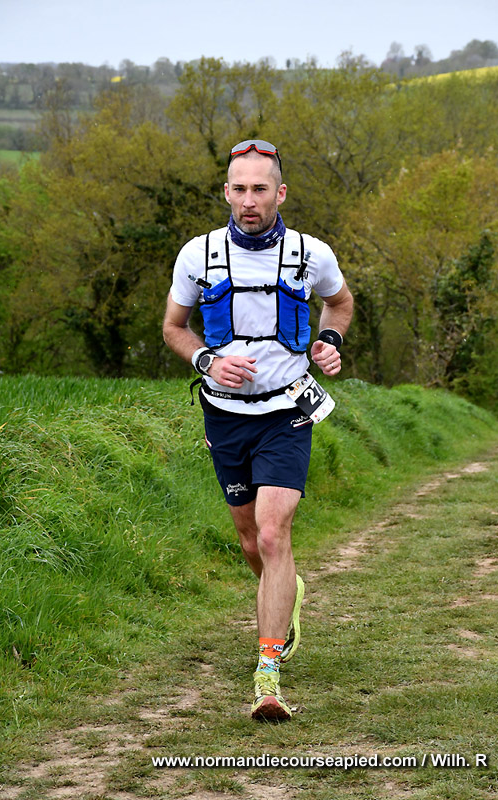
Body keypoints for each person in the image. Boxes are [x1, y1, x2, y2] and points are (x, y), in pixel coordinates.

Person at [163, 139, 353, 721]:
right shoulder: (197, 255)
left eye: (260, 189)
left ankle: (267, 675)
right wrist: (207, 361)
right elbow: (174, 327)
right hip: (224, 415)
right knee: (251, 543)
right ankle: (287, 591)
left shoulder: (311, 254)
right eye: (240, 189)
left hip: (287, 411)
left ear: (281, 193)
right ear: (227, 192)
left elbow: (340, 304)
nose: (249, 200)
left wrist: (330, 341)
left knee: (273, 536)